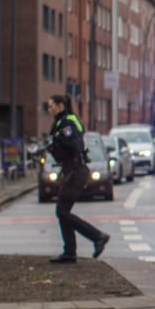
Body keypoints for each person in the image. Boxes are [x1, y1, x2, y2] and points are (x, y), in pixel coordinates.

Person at [45, 94, 109, 263]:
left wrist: (56, 143)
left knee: (62, 211)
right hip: (72, 171)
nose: (49, 109)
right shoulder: (63, 121)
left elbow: (74, 145)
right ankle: (70, 252)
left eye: (51, 106)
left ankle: (97, 236)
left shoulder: (67, 123)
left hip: (76, 171)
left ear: (60, 106)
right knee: (62, 211)